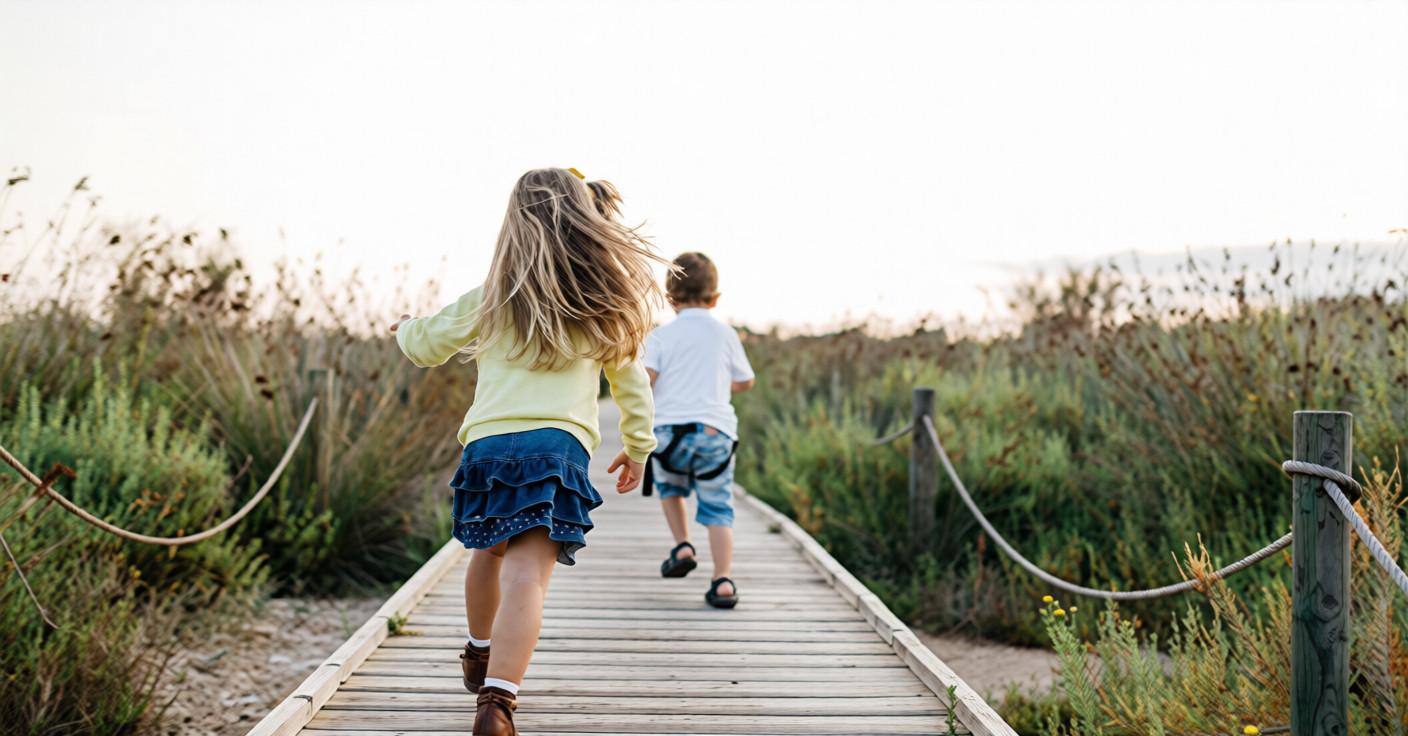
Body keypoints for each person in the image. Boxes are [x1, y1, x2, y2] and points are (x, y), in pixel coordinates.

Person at [391, 167, 663, 736]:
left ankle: (478, 649)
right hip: (556, 450)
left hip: (488, 446)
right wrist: (637, 446)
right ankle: (498, 702)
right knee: (525, 578)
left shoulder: (492, 296)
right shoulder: (600, 303)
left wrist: (404, 329)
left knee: (486, 556)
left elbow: (425, 346)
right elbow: (632, 385)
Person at [643, 252, 754, 609]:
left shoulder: (660, 335)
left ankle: (683, 545)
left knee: (669, 486)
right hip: (714, 433)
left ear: (669, 297)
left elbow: (646, 381)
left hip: (668, 435)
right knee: (719, 508)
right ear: (715, 298)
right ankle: (723, 581)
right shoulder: (726, 334)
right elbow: (745, 380)